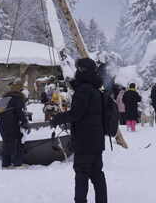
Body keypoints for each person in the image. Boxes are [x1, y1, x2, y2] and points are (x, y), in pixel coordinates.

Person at [51, 58, 107, 203]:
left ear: (82, 71)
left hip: (85, 140)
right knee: (97, 174)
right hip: (96, 139)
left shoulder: (83, 90)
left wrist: (58, 118)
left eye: (78, 69)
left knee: (82, 174)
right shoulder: (95, 89)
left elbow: (76, 113)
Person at [0, 78, 29, 168]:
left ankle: (6, 164)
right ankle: (17, 163)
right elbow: (20, 111)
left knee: (6, 142)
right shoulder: (18, 97)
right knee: (19, 140)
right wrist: (25, 122)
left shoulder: (5, 96)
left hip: (1, 122)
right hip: (10, 122)